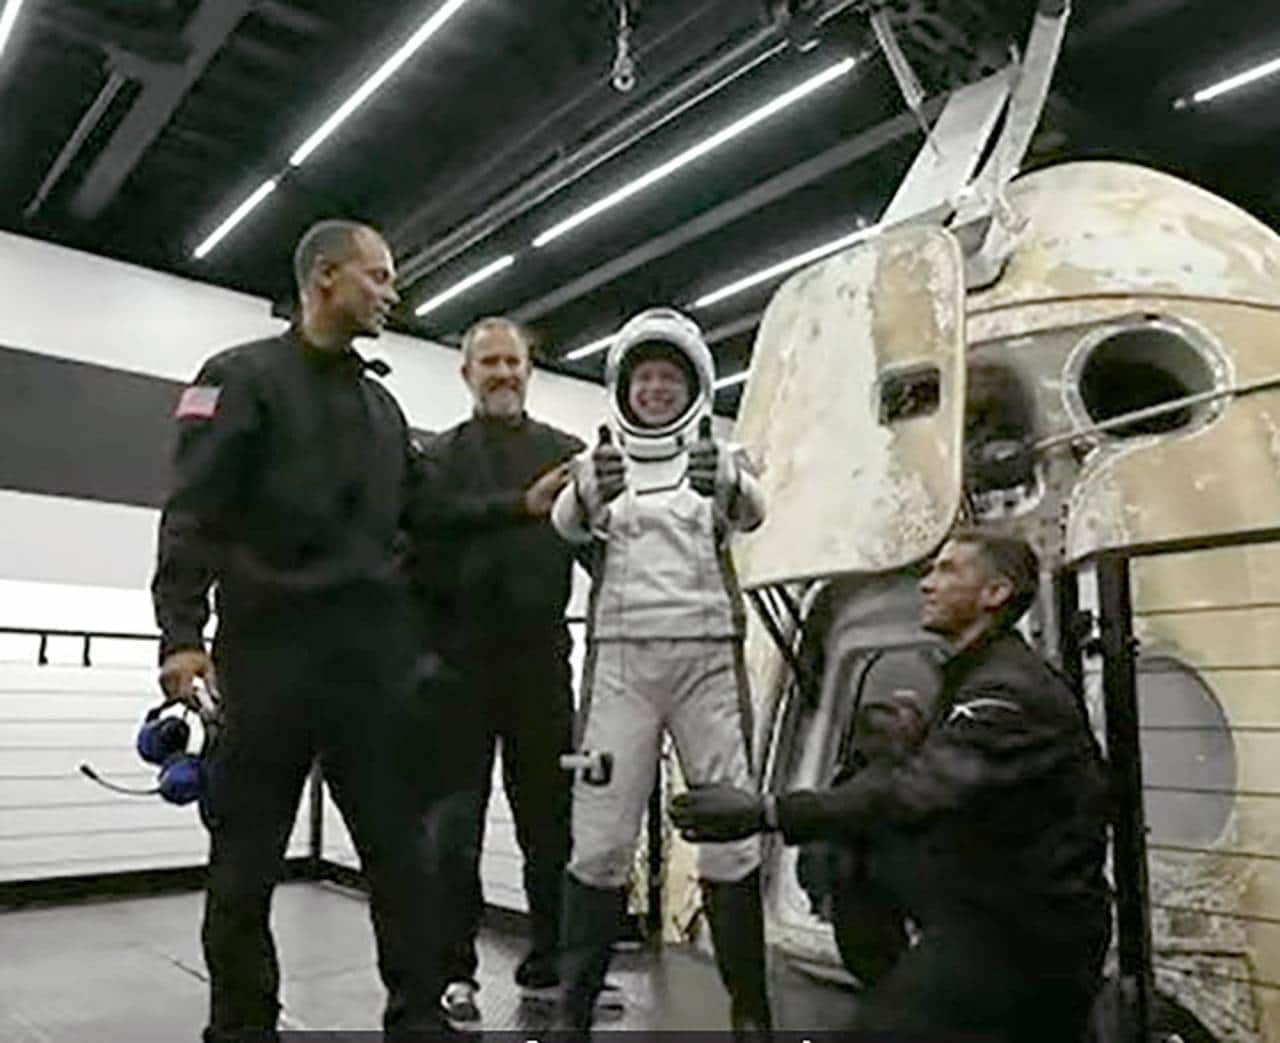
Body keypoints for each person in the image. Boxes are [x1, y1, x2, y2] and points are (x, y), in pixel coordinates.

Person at [151, 219, 448, 1041]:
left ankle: (418, 1018)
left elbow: (430, 522)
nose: (392, 292)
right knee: (245, 868)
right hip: (269, 661)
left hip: (373, 672)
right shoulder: (236, 379)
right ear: (325, 277)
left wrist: (527, 507)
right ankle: (242, 1027)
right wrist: (180, 634)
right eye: (379, 276)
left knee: (401, 857)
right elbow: (193, 515)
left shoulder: (384, 406)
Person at [672, 530, 1111, 1043]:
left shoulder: (1006, 689)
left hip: (1025, 938)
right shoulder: (973, 677)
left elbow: (915, 794)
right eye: (930, 571)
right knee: (847, 852)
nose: (927, 584)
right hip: (985, 918)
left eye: (948, 571)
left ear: (995, 593)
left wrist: (765, 811)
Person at [550, 307, 772, 1032]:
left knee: (731, 828)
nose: (654, 389)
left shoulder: (721, 452)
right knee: (601, 834)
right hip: (620, 668)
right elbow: (563, 523)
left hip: (707, 663)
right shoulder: (597, 459)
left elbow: (755, 514)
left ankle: (751, 1009)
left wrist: (730, 483)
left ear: (695, 386)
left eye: (668, 378)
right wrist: (589, 492)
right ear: (623, 385)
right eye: (643, 377)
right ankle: (573, 1011)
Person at [406, 317, 584, 1022]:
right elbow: (424, 531)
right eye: (490, 363)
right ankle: (454, 973)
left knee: (552, 824)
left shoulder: (567, 454)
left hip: (541, 663)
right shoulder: (435, 459)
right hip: (455, 668)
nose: (504, 372)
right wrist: (521, 506)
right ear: (466, 373)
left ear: (529, 368)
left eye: (513, 361)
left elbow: (600, 546)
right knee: (454, 828)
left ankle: (552, 965)